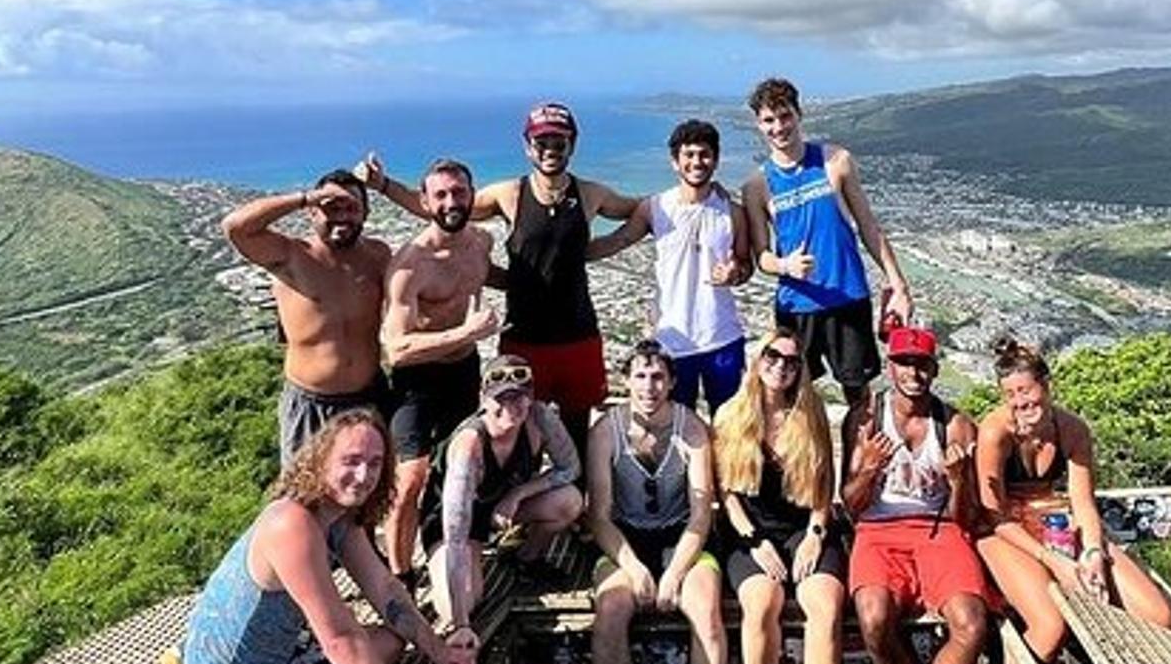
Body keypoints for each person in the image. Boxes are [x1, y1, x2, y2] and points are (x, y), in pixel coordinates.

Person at [180, 408, 478, 664]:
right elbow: (339, 639)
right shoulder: (292, 525)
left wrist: (438, 650)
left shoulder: (334, 514)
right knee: (381, 648)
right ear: (320, 461)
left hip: (255, 660)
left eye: (375, 463)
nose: (363, 475)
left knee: (388, 639)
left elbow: (384, 588)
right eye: (350, 461)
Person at [975, 337, 1171, 664]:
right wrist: (1054, 563)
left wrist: (1090, 551)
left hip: (1056, 521)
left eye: (1029, 393)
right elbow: (992, 514)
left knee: (1160, 618)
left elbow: (1084, 502)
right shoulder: (995, 433)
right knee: (1049, 625)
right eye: (1013, 396)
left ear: (1047, 387)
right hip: (1004, 532)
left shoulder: (1072, 430)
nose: (1022, 404)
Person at [364, 102, 636, 452]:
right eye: (542, 142)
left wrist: (615, 242)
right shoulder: (510, 194)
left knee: (576, 433)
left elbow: (639, 210)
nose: (550, 150)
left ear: (573, 144)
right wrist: (384, 185)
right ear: (527, 147)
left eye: (559, 142)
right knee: (516, 436)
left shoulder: (590, 194)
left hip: (578, 335)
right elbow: (445, 209)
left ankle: (576, 504)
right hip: (524, 337)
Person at [839, 325, 993, 664]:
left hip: (937, 529)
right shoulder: (865, 419)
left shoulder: (956, 426)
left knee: (971, 623)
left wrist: (958, 481)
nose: (913, 374)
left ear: (934, 369)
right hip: (879, 531)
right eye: (904, 363)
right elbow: (852, 506)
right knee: (874, 617)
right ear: (890, 367)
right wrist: (870, 469)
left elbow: (966, 517)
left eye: (922, 365)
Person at [585, 340, 734, 664]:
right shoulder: (607, 431)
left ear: (671, 382)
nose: (649, 387)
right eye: (640, 377)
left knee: (706, 612)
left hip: (680, 540)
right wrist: (630, 563)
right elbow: (599, 514)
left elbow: (700, 513)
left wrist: (673, 571)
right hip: (625, 538)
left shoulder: (692, 430)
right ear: (626, 381)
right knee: (609, 614)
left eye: (657, 378)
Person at [713, 326, 848, 664]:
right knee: (762, 604)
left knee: (826, 607)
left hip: (803, 528)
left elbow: (824, 483)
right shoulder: (731, 414)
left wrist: (816, 533)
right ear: (758, 359)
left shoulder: (809, 414)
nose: (781, 366)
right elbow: (728, 492)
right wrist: (752, 542)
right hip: (752, 533)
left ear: (801, 369)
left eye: (791, 361)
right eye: (773, 356)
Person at [740, 78, 914, 409]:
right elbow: (761, 255)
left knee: (858, 394)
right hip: (797, 305)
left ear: (798, 114)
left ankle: (859, 461)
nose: (779, 127)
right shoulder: (757, 186)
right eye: (769, 120)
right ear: (758, 125)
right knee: (791, 397)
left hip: (847, 295)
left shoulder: (836, 161)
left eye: (784, 116)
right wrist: (785, 265)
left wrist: (898, 285)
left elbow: (868, 226)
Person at [380, 159, 499, 586]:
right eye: (442, 194)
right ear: (425, 201)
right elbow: (396, 349)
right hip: (417, 380)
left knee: (462, 465)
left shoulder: (481, 242)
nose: (452, 202)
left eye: (460, 192)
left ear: (472, 194)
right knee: (410, 477)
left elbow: (494, 277)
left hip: (464, 371)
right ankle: (400, 573)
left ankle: (452, 547)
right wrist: (464, 332)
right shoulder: (411, 264)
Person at [222, 172, 394, 465]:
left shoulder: (378, 255)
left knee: (371, 491)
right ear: (313, 211)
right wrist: (304, 198)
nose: (342, 216)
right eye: (332, 207)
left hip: (370, 396)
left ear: (366, 212)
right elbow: (235, 228)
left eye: (351, 207)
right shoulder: (291, 256)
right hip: (312, 403)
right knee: (306, 494)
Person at [586, 118, 752, 413]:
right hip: (673, 341)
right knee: (675, 426)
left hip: (723, 337)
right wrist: (567, 255)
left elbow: (745, 264)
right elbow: (619, 240)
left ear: (715, 160)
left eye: (704, 154)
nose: (697, 162)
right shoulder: (656, 207)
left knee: (730, 427)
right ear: (675, 162)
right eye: (688, 155)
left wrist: (735, 272)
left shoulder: (733, 212)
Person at [428, 355, 586, 634]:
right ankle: (445, 576)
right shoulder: (469, 445)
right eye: (501, 399)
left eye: (519, 398)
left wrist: (519, 494)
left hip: (505, 504)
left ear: (531, 397)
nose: (510, 407)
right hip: (454, 520)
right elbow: (455, 532)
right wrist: (462, 623)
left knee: (570, 501)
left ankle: (526, 557)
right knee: (462, 602)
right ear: (484, 400)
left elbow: (570, 467)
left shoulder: (539, 418)